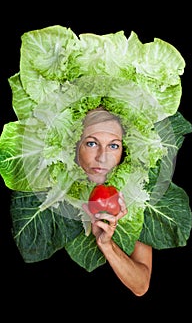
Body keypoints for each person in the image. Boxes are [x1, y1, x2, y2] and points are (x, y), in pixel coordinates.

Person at [76, 107, 152, 297]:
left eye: (113, 146)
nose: (103, 157)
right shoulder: (47, 189)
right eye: (92, 143)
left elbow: (141, 285)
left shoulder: (138, 195)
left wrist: (107, 245)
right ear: (74, 145)